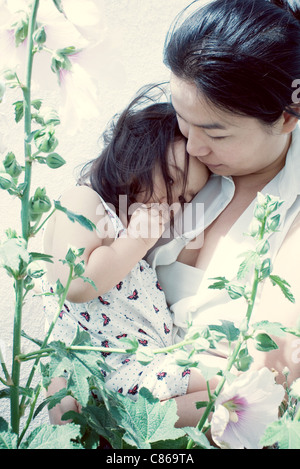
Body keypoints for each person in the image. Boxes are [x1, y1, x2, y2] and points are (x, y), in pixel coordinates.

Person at [147, 0, 300, 408]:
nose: (194, 145)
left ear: (287, 117)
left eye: (216, 133)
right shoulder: (160, 146)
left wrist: (113, 413)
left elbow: (265, 380)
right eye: (183, 117)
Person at [42, 86, 212, 426]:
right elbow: (76, 283)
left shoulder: (135, 245)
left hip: (141, 371)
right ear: (135, 157)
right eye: (172, 180)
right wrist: (136, 240)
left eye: (186, 198)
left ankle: (121, 427)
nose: (174, 202)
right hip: (110, 372)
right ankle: (117, 424)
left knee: (226, 397)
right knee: (227, 388)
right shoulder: (83, 201)